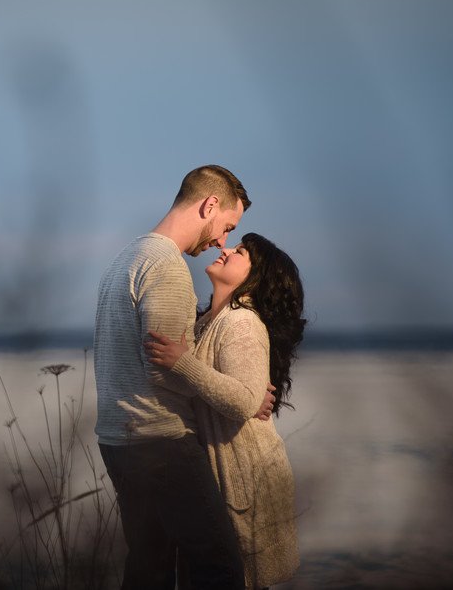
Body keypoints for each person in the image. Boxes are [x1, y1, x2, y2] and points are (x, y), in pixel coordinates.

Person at [94, 164, 274, 589]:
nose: (222, 241)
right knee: (221, 569)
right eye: (227, 225)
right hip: (162, 442)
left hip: (117, 438)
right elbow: (166, 370)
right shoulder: (168, 268)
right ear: (210, 205)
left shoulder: (126, 258)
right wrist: (242, 397)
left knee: (149, 569)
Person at [144, 232, 305, 589]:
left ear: (255, 278)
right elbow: (233, 393)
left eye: (241, 251)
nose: (226, 248)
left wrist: (182, 362)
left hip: (244, 476)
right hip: (225, 471)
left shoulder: (241, 323)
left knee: (235, 579)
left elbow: (243, 400)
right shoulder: (208, 322)